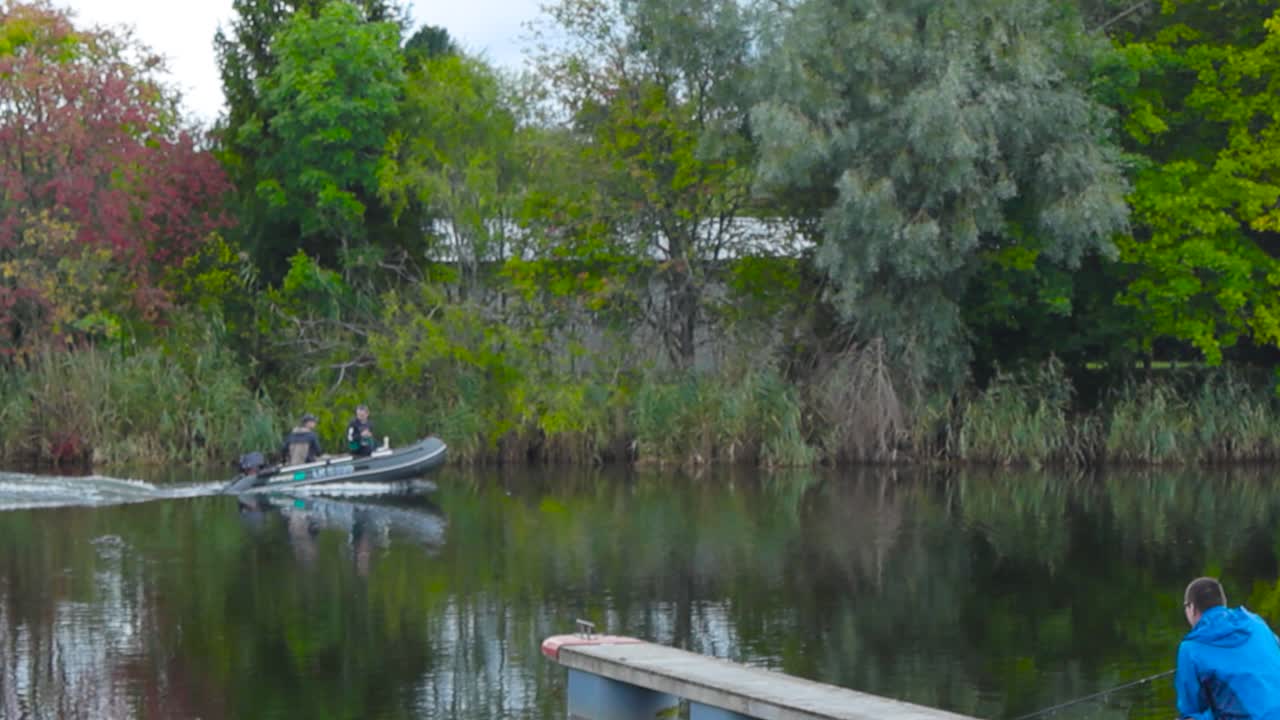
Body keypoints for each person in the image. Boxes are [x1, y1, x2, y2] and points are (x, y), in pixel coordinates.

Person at [1176, 576, 1280, 719]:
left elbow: (1190, 709)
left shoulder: (1190, 648)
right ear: (1224, 602)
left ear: (1191, 608)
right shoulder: (1256, 622)